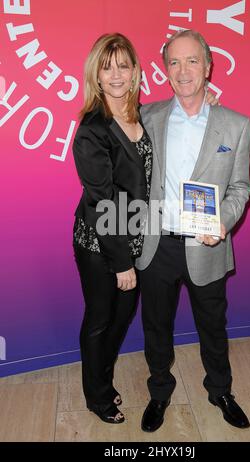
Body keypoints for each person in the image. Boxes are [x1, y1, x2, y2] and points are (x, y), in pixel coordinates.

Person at [136, 29, 250, 432]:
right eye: (174, 62)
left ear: (208, 66)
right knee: (156, 327)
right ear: (165, 69)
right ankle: (160, 391)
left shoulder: (236, 125)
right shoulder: (146, 117)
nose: (182, 70)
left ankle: (220, 390)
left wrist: (223, 221)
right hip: (157, 245)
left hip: (207, 243)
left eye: (191, 61)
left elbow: (240, 187)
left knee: (213, 327)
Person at [72, 33, 152, 424]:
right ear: (97, 75)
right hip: (100, 244)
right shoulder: (92, 130)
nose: (116, 74)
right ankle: (96, 396)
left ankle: (103, 377)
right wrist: (122, 263)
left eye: (123, 64)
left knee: (122, 318)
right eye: (108, 66)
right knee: (101, 319)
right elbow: (105, 203)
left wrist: (208, 102)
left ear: (136, 70)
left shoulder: (142, 115)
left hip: (134, 239)